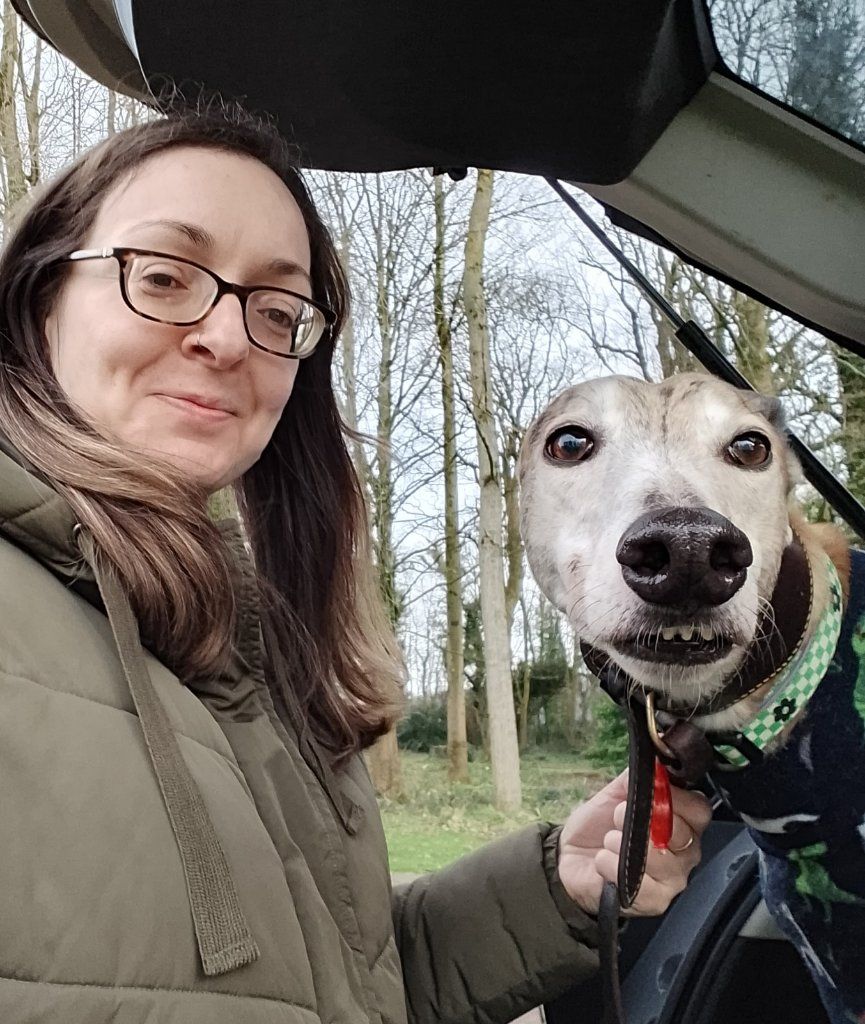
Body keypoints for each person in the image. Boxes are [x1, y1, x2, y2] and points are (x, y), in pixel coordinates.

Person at [0, 103, 710, 1023]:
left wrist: (555, 885)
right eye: (165, 276)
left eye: (275, 308)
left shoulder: (246, 644)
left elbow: (341, 983)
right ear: (38, 296)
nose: (226, 338)